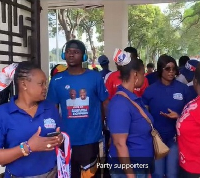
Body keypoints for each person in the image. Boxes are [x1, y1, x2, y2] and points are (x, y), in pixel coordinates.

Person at [0, 61, 64, 178]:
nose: (45, 88)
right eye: (41, 84)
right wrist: (27, 147)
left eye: (45, 83)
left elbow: (61, 136)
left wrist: (59, 139)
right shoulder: (1, 114)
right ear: (24, 84)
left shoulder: (50, 108)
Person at [47, 39, 109, 178]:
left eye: (76, 52)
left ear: (84, 56)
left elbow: (105, 103)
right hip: (65, 140)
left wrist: (106, 126)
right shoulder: (57, 80)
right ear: (64, 55)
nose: (71, 55)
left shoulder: (95, 77)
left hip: (90, 140)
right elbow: (52, 109)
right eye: (68, 52)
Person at [142, 55, 191, 178]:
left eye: (173, 69)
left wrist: (178, 116)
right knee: (157, 174)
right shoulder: (150, 91)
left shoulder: (184, 90)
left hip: (175, 139)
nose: (171, 72)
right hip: (156, 140)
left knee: (172, 174)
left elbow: (191, 116)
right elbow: (144, 116)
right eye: (167, 68)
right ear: (160, 70)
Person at [108, 49, 154, 178]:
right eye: (142, 73)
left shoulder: (133, 98)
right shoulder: (120, 104)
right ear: (135, 74)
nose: (144, 77)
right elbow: (119, 143)